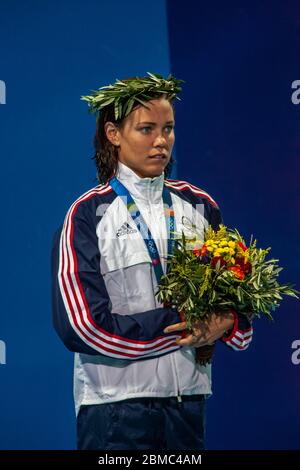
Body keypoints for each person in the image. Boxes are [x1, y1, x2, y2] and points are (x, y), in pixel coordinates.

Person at [51, 73, 253, 451]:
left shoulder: (199, 206)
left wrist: (226, 322)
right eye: (146, 129)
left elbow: (237, 313)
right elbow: (83, 329)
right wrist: (183, 327)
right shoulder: (87, 214)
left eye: (168, 128)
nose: (161, 141)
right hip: (115, 409)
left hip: (188, 403)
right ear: (113, 134)